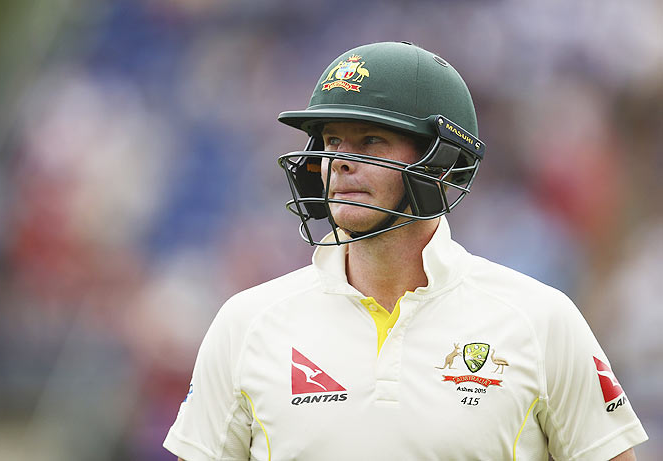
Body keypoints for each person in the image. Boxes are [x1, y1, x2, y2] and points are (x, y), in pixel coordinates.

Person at [163, 42, 648, 460]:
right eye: (332, 142)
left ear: (442, 162)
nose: (341, 164)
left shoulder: (540, 322)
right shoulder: (245, 324)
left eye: (371, 142)